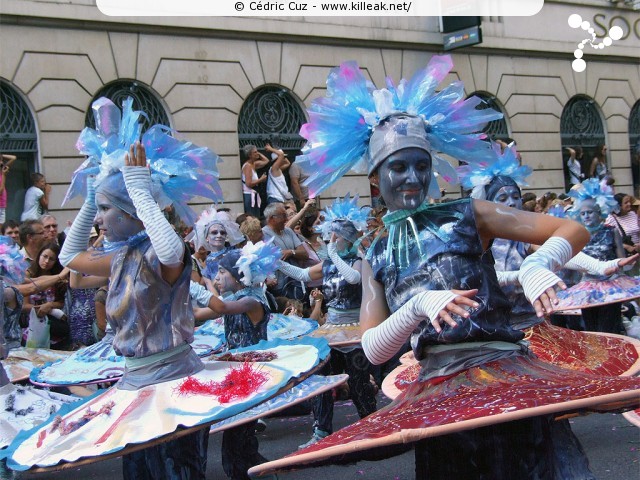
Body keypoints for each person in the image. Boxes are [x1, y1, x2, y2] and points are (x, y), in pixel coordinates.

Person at [252, 55, 640, 479]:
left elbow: (571, 228)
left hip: (509, 378)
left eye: (421, 164)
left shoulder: (467, 213)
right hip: (438, 391)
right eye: (399, 167)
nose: (413, 177)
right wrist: (417, 306)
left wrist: (539, 263)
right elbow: (373, 347)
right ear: (376, 180)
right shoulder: (376, 253)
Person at [55, 96, 223, 479]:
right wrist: (94, 193)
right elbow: (69, 257)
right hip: (132, 385)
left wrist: (140, 191)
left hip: (174, 384)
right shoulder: (119, 258)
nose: (99, 220)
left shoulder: (160, 253)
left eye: (106, 210)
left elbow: (170, 249)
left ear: (132, 212)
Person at [276, 195, 377, 448]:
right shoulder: (329, 263)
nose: (329, 240)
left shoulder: (359, 260)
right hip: (330, 330)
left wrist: (334, 254)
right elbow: (301, 273)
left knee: (358, 383)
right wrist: (275, 263)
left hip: (355, 332)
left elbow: (354, 279)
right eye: (329, 236)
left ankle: (372, 427)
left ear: (348, 238)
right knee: (320, 381)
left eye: (336, 237)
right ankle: (321, 431)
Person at [189, 242, 280, 480]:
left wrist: (191, 284)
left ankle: (248, 471)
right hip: (234, 373)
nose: (217, 277)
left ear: (240, 274)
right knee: (240, 434)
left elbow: (221, 307)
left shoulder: (252, 301)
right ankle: (258, 469)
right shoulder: (236, 297)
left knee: (238, 435)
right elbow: (198, 314)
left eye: (222, 272)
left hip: (250, 374)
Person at [567, 180, 629, 334]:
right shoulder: (577, 234)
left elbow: (622, 264)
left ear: (599, 212)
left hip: (610, 288)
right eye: (583, 213)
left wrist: (623, 285)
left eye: (590, 212)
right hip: (587, 289)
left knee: (610, 329)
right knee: (592, 331)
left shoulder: (611, 231)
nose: (586, 216)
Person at [21, 242, 70, 348]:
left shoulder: (59, 279)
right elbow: (25, 305)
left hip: (53, 329)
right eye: (45, 256)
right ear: (39, 255)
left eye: (51, 259)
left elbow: (61, 302)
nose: (47, 261)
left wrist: (50, 305)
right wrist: (42, 308)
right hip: (32, 327)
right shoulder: (28, 274)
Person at [261, 202, 308, 299]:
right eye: (283, 216)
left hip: (298, 281)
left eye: (286, 215)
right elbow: (277, 256)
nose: (286, 219)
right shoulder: (263, 234)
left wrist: (291, 252)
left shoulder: (289, 231)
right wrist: (293, 251)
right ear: (271, 218)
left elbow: (304, 254)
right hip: (279, 286)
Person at [241, 144, 269, 217]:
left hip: (254, 194)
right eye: (255, 152)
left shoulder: (254, 164)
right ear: (249, 155)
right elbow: (248, 183)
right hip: (249, 195)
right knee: (252, 216)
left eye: (257, 152)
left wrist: (258, 153)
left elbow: (266, 161)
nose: (257, 153)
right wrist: (261, 179)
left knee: (256, 216)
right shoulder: (248, 166)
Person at [0, 153, 16, 225]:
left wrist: (1, 155)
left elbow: (13, 158)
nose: (1, 162)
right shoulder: (2, 174)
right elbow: (1, 191)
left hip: (2, 205)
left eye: (1, 160)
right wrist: (4, 175)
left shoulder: (1, 171)